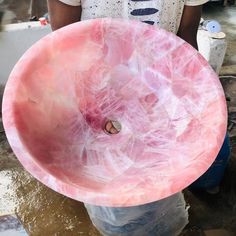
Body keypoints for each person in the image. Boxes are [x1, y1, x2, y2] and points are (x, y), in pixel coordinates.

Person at [47, 1, 230, 235]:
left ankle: (160, 223)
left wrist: (189, 97)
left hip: (157, 88)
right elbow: (65, 45)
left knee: (158, 173)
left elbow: (185, 41)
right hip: (94, 87)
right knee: (110, 179)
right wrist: (90, 107)